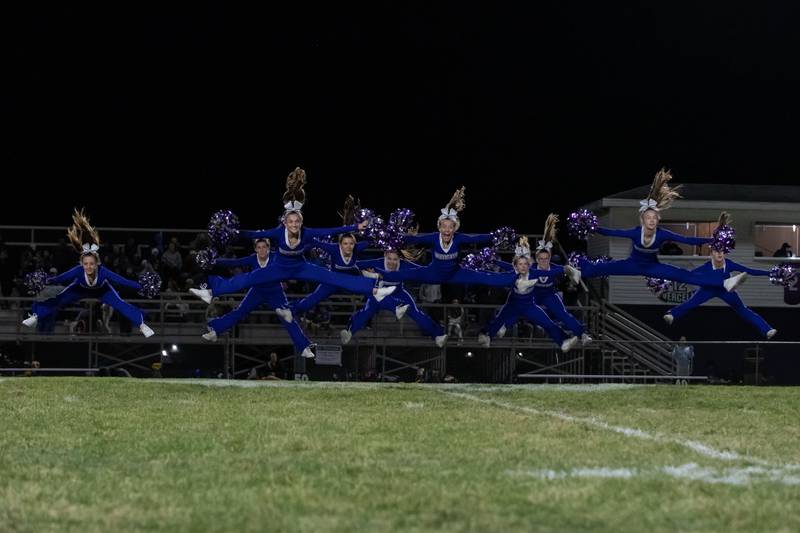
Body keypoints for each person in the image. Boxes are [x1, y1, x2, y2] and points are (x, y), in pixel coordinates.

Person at [22, 209, 157, 337]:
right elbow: (60, 278)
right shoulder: (78, 270)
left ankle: (141, 324)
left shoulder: (103, 272)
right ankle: (35, 316)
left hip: (102, 290)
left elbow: (123, 281)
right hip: (79, 289)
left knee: (121, 305)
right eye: (85, 264)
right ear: (82, 264)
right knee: (58, 300)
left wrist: (141, 286)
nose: (88, 267)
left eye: (91, 264)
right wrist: (45, 280)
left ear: (97, 263)